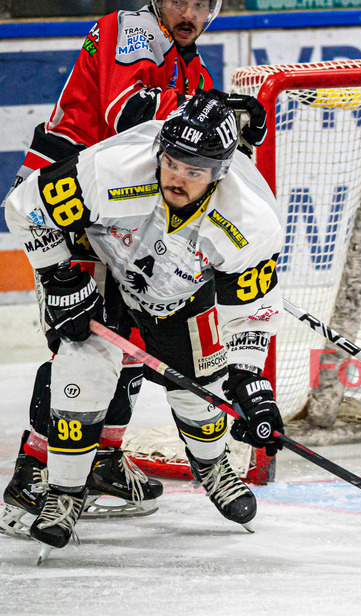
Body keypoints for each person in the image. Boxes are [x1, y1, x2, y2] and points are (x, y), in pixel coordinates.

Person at [4, 90, 284, 554]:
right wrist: (58, 276)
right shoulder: (111, 169)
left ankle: (212, 466)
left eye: (194, 172)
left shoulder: (252, 220)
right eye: (171, 162)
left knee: (205, 380)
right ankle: (64, 493)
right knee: (83, 368)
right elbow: (24, 207)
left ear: (221, 172)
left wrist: (249, 380)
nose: (177, 178)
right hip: (97, 258)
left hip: (178, 286)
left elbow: (250, 313)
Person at [0, 0, 231, 537]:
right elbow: (130, 115)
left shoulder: (193, 68)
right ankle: (33, 476)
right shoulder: (131, 30)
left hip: (117, 221)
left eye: (201, 3)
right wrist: (218, 110)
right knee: (80, 345)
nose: (188, 12)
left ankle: (102, 461)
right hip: (62, 208)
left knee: (128, 338)